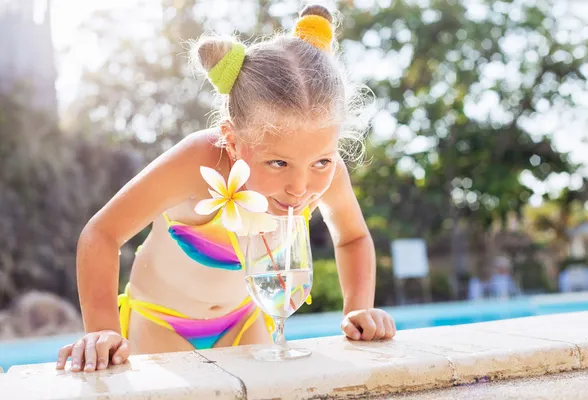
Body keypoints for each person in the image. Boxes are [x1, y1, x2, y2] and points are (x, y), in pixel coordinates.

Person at [56, 4, 396, 373]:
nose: (300, 187)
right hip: (162, 320)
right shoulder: (198, 163)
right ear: (232, 141)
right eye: (277, 163)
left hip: (244, 320)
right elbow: (101, 234)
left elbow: (352, 238)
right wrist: (103, 332)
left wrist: (358, 309)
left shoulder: (326, 170)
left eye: (322, 162)